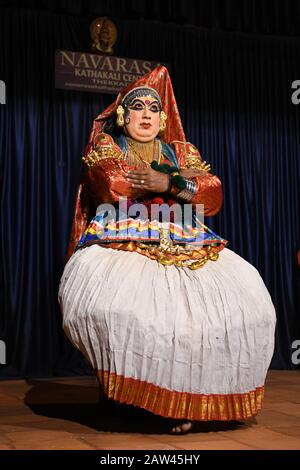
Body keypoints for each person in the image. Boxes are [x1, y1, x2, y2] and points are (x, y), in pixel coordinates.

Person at [58, 65, 276, 434]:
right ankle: (130, 395)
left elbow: (212, 196)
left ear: (162, 119)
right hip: (122, 237)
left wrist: (167, 180)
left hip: (187, 237)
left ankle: (189, 400)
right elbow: (113, 186)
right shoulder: (107, 145)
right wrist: (179, 183)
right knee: (127, 310)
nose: (146, 114)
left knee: (242, 302)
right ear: (123, 116)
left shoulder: (180, 150)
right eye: (137, 107)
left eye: (153, 109)